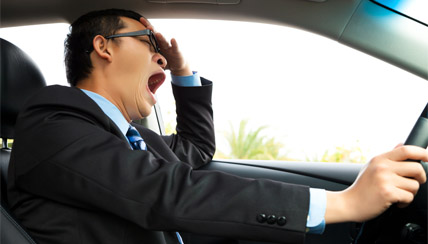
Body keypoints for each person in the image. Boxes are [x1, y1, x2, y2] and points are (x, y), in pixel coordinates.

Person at [7, 8, 427, 244]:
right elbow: (166, 190)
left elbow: (195, 149)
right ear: (103, 47)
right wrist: (343, 203)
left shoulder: (139, 142)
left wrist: (183, 74)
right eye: (149, 42)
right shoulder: (52, 122)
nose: (161, 56)